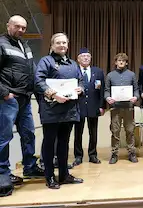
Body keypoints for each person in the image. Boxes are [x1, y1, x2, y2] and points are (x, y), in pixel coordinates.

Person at [0, 15, 44, 188]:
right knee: (4, 137)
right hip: (8, 100)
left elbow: (31, 72)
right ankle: (3, 173)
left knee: (28, 134)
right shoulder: (2, 44)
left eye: (24, 28)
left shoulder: (25, 46)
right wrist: (5, 94)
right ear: (8, 25)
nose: (20, 30)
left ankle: (30, 167)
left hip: (25, 98)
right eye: (17, 26)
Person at [35, 32, 84, 189]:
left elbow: (81, 80)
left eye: (64, 43)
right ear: (52, 45)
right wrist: (53, 94)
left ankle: (64, 175)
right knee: (49, 144)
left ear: (67, 45)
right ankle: (49, 176)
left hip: (69, 110)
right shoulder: (46, 61)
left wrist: (80, 89)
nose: (62, 45)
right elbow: (38, 81)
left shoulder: (73, 64)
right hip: (51, 109)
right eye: (58, 43)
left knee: (64, 143)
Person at [105, 53, 140, 164]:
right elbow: (106, 90)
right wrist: (108, 98)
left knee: (130, 130)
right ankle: (114, 153)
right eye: (119, 60)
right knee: (115, 131)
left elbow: (136, 89)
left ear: (126, 63)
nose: (121, 62)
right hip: (115, 108)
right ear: (115, 62)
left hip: (129, 107)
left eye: (123, 61)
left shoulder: (131, 75)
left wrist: (136, 97)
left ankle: (131, 153)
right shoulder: (110, 75)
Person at [73, 48, 105, 166]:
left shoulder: (98, 71)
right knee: (78, 132)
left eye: (88, 56)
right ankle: (78, 156)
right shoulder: (74, 71)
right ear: (78, 59)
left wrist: (102, 106)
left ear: (91, 58)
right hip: (78, 106)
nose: (86, 58)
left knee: (93, 132)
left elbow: (101, 91)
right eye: (83, 56)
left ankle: (93, 155)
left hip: (93, 106)